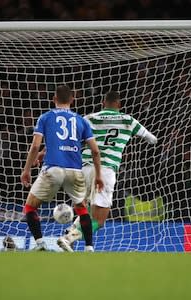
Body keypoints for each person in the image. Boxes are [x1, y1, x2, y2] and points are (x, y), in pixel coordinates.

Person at [56, 90, 158, 251]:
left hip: (83, 168)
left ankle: (70, 232)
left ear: (103, 103)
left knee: (87, 209)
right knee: (99, 220)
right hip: (105, 171)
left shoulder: (90, 118)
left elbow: (70, 139)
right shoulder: (128, 120)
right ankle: (68, 238)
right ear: (119, 105)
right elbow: (152, 139)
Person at [20, 85, 103, 252]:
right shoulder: (81, 120)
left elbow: (35, 146)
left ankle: (40, 243)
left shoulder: (45, 117)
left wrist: (27, 170)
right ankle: (89, 248)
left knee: (30, 207)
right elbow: (95, 150)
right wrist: (99, 175)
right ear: (72, 100)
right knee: (81, 209)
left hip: (53, 169)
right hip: (75, 170)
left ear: (54, 99)